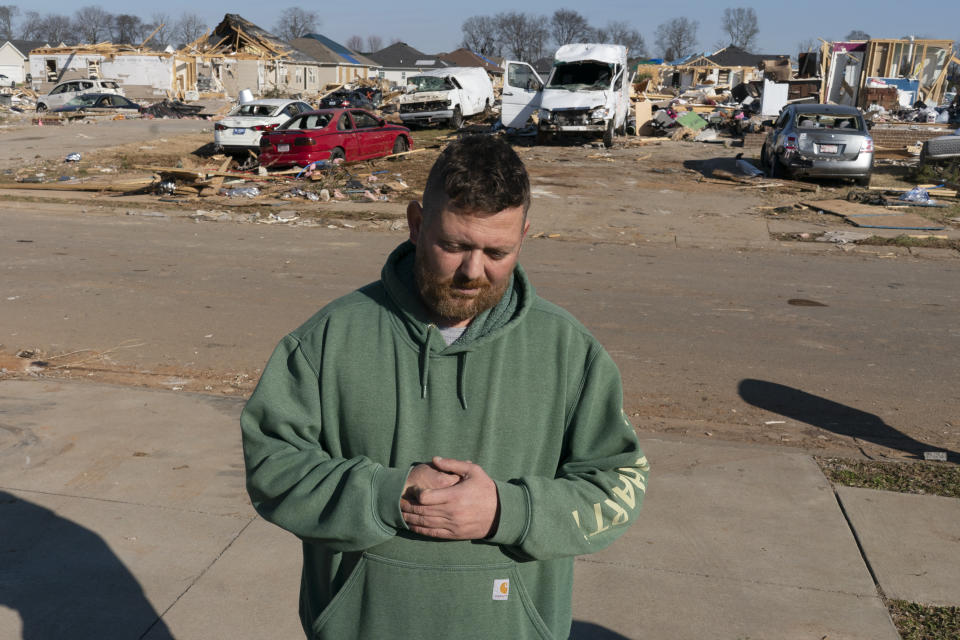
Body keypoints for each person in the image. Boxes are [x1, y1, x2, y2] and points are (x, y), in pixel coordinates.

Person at [241, 135, 648, 640]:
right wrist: (386, 494)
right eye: (454, 245)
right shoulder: (329, 338)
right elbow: (271, 466)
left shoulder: (570, 352)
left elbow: (617, 485)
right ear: (416, 224)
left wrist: (507, 510)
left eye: (498, 251)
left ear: (524, 235)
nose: (473, 271)